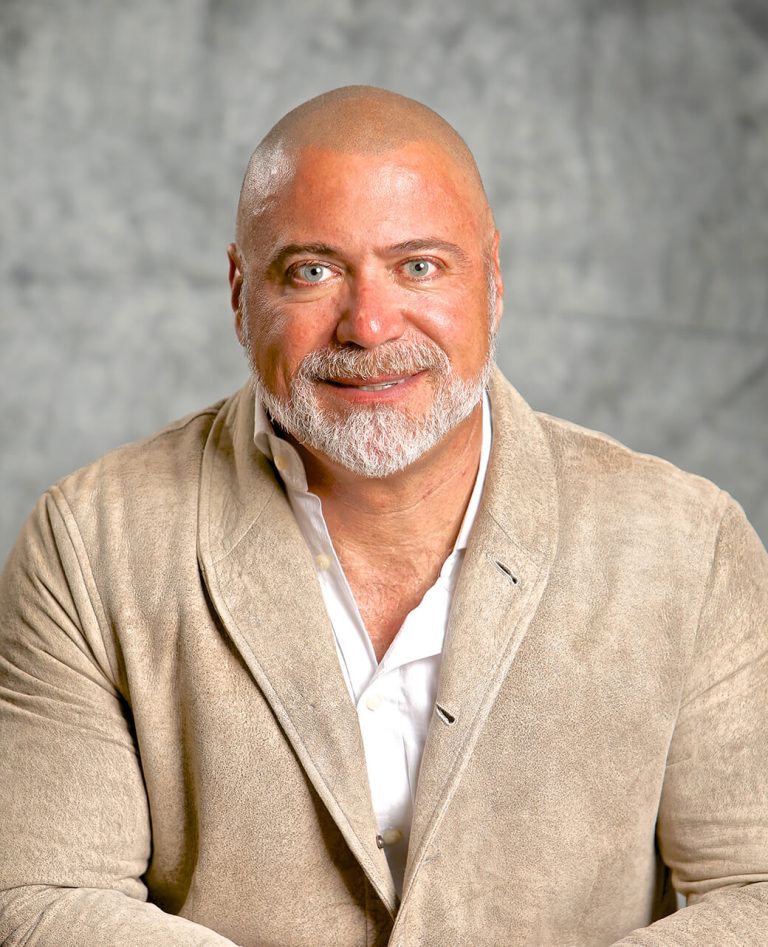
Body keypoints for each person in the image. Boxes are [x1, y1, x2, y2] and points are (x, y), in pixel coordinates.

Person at [0, 86, 766, 947]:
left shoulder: (689, 545)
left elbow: (757, 888)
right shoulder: (87, 544)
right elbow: (45, 893)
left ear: (494, 281)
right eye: (313, 271)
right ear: (240, 292)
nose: (367, 326)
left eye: (419, 266)